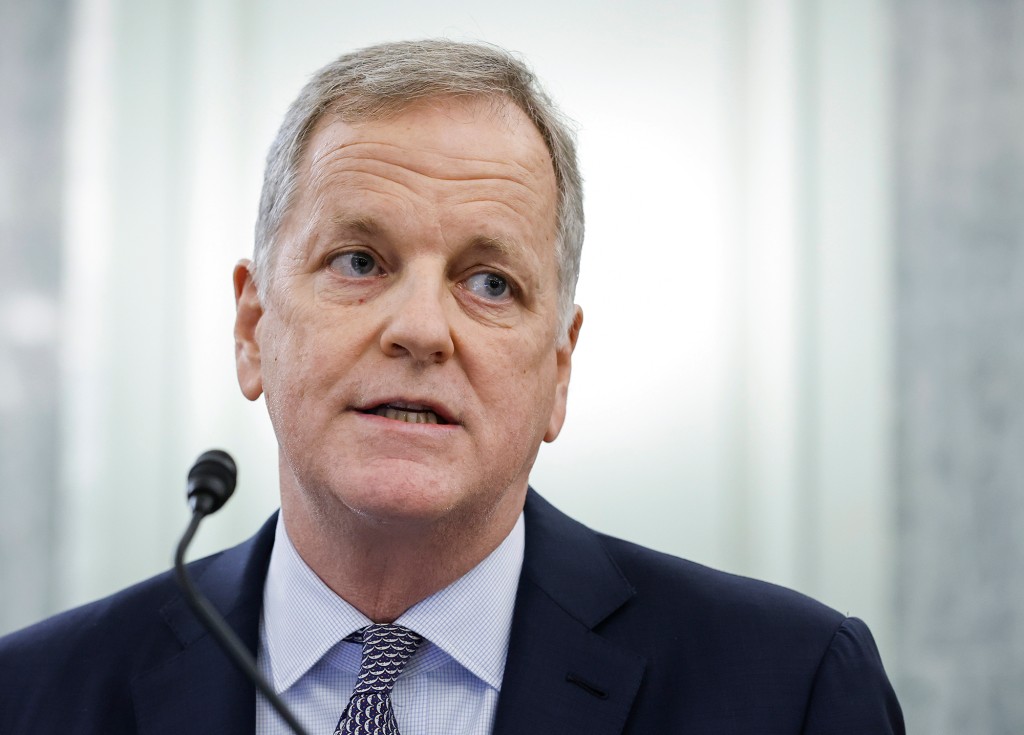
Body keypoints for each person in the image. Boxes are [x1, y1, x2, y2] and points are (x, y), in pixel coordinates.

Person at [0, 39, 904, 734]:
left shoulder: (789, 690)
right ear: (252, 328)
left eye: (489, 282)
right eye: (360, 260)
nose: (423, 330)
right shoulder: (33, 696)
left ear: (558, 369)